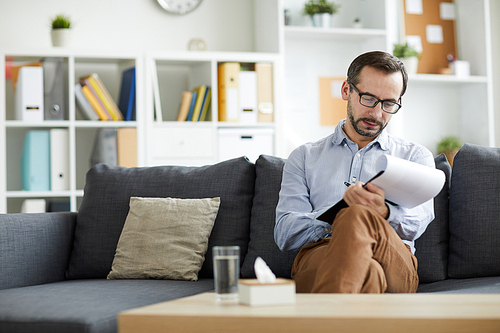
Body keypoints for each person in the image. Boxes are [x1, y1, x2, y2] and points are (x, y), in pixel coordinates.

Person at [274, 51, 435, 294]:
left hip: (393, 257)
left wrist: (382, 213)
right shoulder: (304, 157)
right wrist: (336, 217)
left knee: (357, 216)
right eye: (368, 98)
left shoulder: (415, 157)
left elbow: (420, 220)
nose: (377, 113)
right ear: (346, 90)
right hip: (321, 254)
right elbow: (285, 233)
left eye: (389, 104)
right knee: (368, 271)